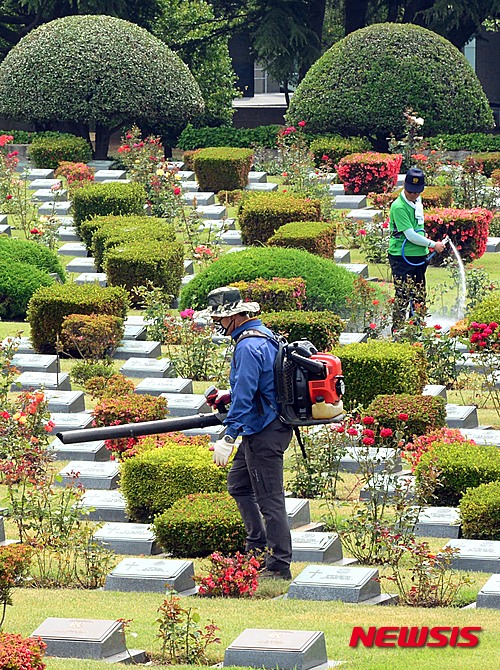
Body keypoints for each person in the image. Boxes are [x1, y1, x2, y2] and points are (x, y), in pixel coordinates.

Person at [196, 286, 293, 580]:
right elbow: (259, 385)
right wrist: (229, 394)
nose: (217, 324)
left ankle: (278, 565)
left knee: (270, 500)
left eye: (219, 319)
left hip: (264, 430)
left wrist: (228, 437)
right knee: (239, 485)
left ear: (235, 317)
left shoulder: (248, 346)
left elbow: (248, 396)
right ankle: (256, 550)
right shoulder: (262, 334)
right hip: (263, 424)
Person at [388, 167, 446, 333]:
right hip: (402, 257)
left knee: (419, 295)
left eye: (416, 192)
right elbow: (411, 235)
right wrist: (433, 244)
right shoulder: (399, 207)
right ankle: (397, 331)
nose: (413, 195)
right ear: (405, 187)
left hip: (418, 257)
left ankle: (416, 330)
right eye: (410, 191)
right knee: (403, 295)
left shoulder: (417, 202)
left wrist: (428, 246)